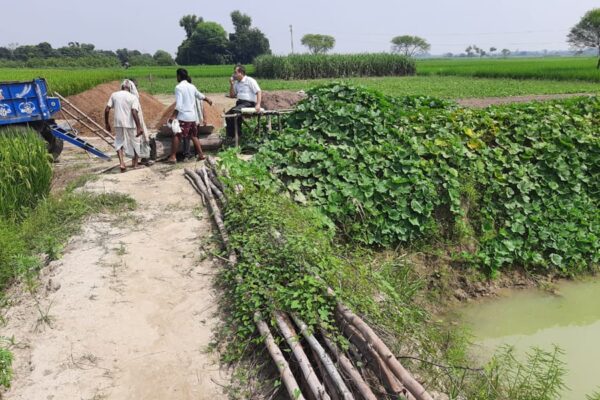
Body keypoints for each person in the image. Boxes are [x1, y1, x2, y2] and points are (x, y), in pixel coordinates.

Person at [167, 68, 213, 163]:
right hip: (193, 117)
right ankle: (201, 154)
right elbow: (200, 95)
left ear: (179, 76)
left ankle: (173, 156)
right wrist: (208, 99)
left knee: (177, 135)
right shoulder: (192, 86)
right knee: (193, 135)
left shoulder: (178, 87)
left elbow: (179, 104)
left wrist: (173, 116)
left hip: (183, 116)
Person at [104, 80, 144, 172]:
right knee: (136, 141)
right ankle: (135, 164)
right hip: (130, 122)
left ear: (122, 87)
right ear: (130, 88)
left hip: (118, 122)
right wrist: (139, 127)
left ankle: (122, 163)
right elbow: (134, 112)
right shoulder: (133, 97)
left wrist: (107, 123)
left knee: (119, 141)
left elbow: (107, 110)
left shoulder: (114, 95)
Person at [225, 64, 262, 139]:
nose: (234, 74)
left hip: (249, 103)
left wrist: (258, 104)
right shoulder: (236, 83)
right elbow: (232, 95)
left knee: (235, 112)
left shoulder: (250, 80)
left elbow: (258, 91)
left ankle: (238, 135)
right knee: (228, 115)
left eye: (235, 72)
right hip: (240, 103)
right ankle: (231, 136)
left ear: (241, 73)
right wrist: (231, 85)